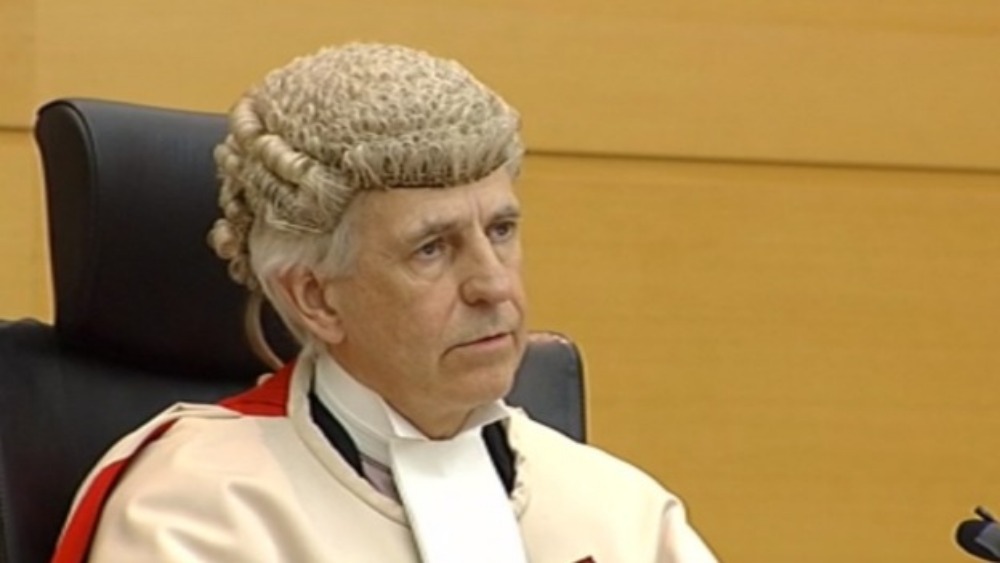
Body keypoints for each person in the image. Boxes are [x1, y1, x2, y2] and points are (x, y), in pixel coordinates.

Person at [52, 42, 717, 562]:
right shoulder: (198, 510)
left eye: (501, 230)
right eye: (432, 248)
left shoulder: (621, 510)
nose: (492, 285)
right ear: (315, 297)